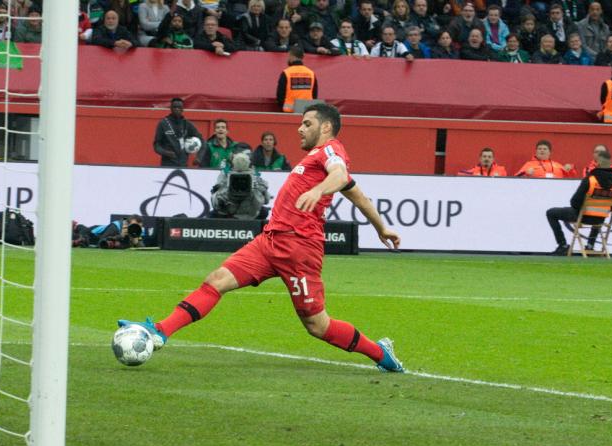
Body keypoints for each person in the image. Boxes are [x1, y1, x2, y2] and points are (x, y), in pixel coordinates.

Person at [117, 102, 405, 374]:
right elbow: (357, 194)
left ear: (326, 127)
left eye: (307, 124)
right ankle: (160, 331)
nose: (300, 129)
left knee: (317, 325)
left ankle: (380, 353)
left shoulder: (331, 149)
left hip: (300, 249)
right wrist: (381, 227)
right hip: (269, 242)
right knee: (217, 280)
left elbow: (340, 176)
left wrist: (318, 190)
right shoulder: (313, 159)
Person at [545, 144, 612, 255]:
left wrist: (584, 208)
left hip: (583, 216)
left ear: (597, 163)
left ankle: (563, 245)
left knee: (551, 213)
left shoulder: (590, 179)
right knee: (597, 215)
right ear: (611, 164)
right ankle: (590, 245)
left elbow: (574, 202)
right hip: (600, 219)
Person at [153, 97, 202, 167]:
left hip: (183, 165)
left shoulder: (187, 124)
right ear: (170, 108)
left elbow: (202, 141)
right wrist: (166, 153)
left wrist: (199, 157)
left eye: (179, 107)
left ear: (183, 109)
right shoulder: (163, 123)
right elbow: (156, 145)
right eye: (174, 107)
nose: (177, 109)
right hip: (167, 165)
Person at [278, 45, 318, 113]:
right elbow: (314, 95)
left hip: (289, 112)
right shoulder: (311, 73)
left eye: (288, 56)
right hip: (307, 111)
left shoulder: (286, 73)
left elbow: (280, 95)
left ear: (292, 56)